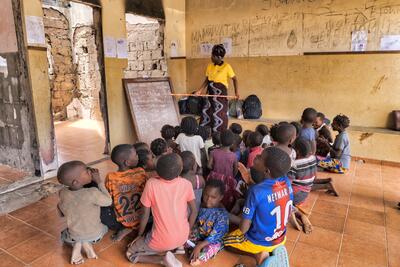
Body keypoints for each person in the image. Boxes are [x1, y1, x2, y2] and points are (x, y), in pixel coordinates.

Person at [224, 147, 293, 266]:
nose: (256, 156)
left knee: (226, 243)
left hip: (259, 241)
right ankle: (272, 252)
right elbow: (268, 195)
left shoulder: (256, 191)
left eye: (260, 157)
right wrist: (250, 183)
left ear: (267, 171)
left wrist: (227, 215)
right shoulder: (286, 181)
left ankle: (258, 255)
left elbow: (243, 229)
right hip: (281, 238)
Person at [126, 153, 198, 266]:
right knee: (182, 212)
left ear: (157, 170)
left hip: (160, 240)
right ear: (181, 170)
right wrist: (187, 232)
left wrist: (139, 235)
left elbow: (145, 213)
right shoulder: (186, 184)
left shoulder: (151, 184)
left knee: (130, 253)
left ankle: (161, 260)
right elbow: (194, 211)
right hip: (183, 237)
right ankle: (178, 248)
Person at [57, 161, 112, 265]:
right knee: (105, 228)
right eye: (87, 172)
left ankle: (78, 244)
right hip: (95, 236)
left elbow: (61, 214)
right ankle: (85, 243)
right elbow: (109, 201)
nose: (90, 172)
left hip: (74, 234)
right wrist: (99, 181)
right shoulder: (92, 193)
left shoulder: (62, 193)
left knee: (64, 234)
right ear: (75, 182)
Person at [102, 145, 148, 241]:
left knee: (103, 207)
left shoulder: (111, 177)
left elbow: (109, 200)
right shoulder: (141, 172)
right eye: (135, 155)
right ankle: (133, 228)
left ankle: (126, 228)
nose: (138, 156)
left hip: (121, 222)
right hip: (144, 219)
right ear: (127, 162)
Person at [196, 44, 240, 132]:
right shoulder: (210, 66)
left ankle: (219, 136)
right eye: (212, 55)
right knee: (206, 113)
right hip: (210, 94)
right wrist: (200, 90)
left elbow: (235, 79)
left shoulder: (227, 67)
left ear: (219, 57)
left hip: (221, 96)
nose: (211, 57)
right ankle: (206, 134)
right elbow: (207, 80)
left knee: (220, 115)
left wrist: (236, 93)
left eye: (213, 56)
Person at [186, 179, 229, 266]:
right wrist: (191, 231)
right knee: (184, 238)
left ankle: (198, 257)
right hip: (201, 235)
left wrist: (199, 246)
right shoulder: (202, 205)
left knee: (212, 248)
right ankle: (191, 250)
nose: (208, 199)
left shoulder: (222, 215)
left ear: (221, 197)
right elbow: (198, 223)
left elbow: (215, 235)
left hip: (213, 240)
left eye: (213, 197)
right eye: (206, 195)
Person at [287, 138, 316, 234]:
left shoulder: (295, 164)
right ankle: (301, 216)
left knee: (280, 197)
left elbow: (288, 184)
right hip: (305, 193)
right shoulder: (313, 158)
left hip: (295, 195)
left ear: (297, 151)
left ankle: (292, 213)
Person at [208, 129, 238, 210]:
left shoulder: (213, 152)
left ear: (220, 140)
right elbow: (235, 170)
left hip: (215, 179)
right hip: (228, 180)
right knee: (226, 197)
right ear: (232, 142)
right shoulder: (233, 156)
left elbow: (209, 166)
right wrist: (231, 177)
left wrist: (215, 169)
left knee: (215, 195)